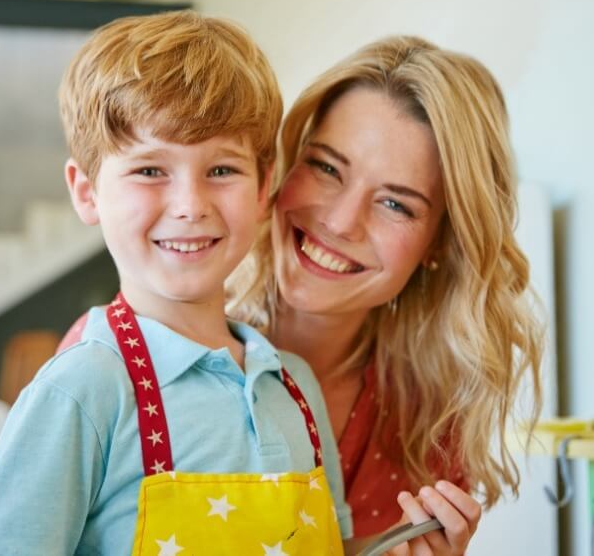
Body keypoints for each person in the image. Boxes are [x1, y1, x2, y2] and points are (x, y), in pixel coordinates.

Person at [0, 11, 355, 555]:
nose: (190, 206)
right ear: (87, 191)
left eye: (222, 170)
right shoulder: (82, 391)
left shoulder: (296, 387)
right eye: (150, 170)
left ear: (265, 188)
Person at [226, 35, 544, 553]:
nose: (339, 221)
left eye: (396, 204)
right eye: (326, 167)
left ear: (439, 243)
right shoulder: (150, 356)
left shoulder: (432, 428)